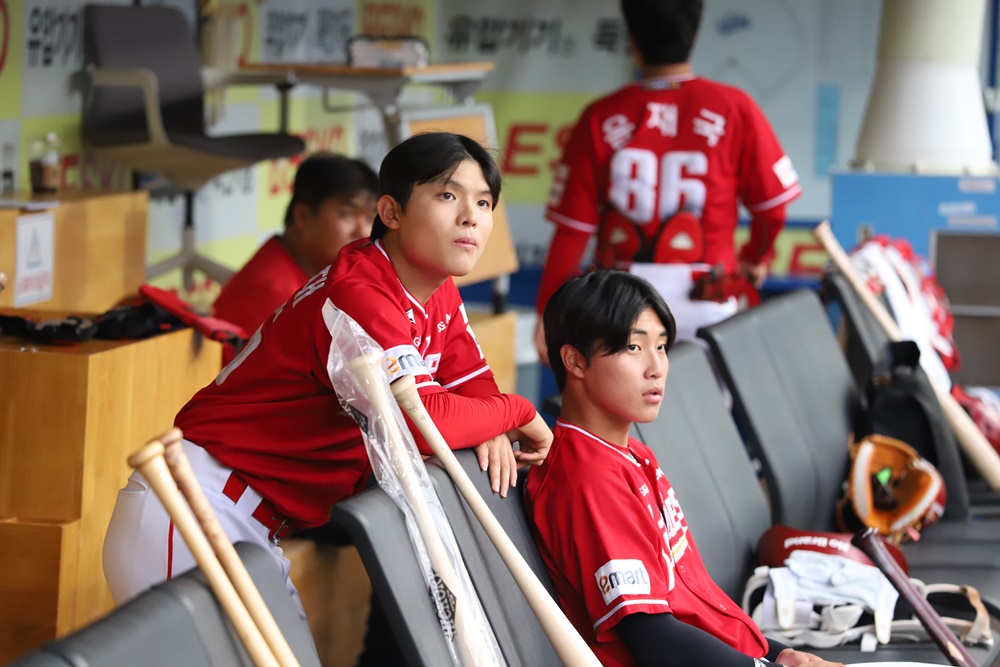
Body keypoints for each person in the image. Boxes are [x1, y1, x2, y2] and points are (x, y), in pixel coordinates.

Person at [103, 132, 553, 613]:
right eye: (448, 195)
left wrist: (493, 422)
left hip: (251, 523)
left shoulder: (432, 286)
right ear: (392, 212)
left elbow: (470, 384)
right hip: (195, 510)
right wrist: (517, 410)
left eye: (484, 202)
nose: (471, 216)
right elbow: (424, 427)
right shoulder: (361, 291)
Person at [524, 270, 844, 667]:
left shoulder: (634, 455)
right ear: (575, 360)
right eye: (633, 347)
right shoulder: (587, 479)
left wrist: (781, 655)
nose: (656, 367)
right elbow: (650, 637)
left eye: (661, 347)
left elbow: (697, 602)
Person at [535, 0, 801, 358]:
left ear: (632, 40)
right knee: (704, 413)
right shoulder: (734, 107)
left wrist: (546, 313)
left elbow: (572, 230)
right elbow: (772, 211)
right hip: (707, 297)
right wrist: (757, 257)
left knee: (620, 413)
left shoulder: (600, 116)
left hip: (617, 300)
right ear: (694, 37)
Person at [212, 152, 379, 334]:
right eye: (347, 214)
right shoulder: (272, 292)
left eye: (370, 218)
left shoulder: (320, 271)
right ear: (302, 216)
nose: (362, 231)